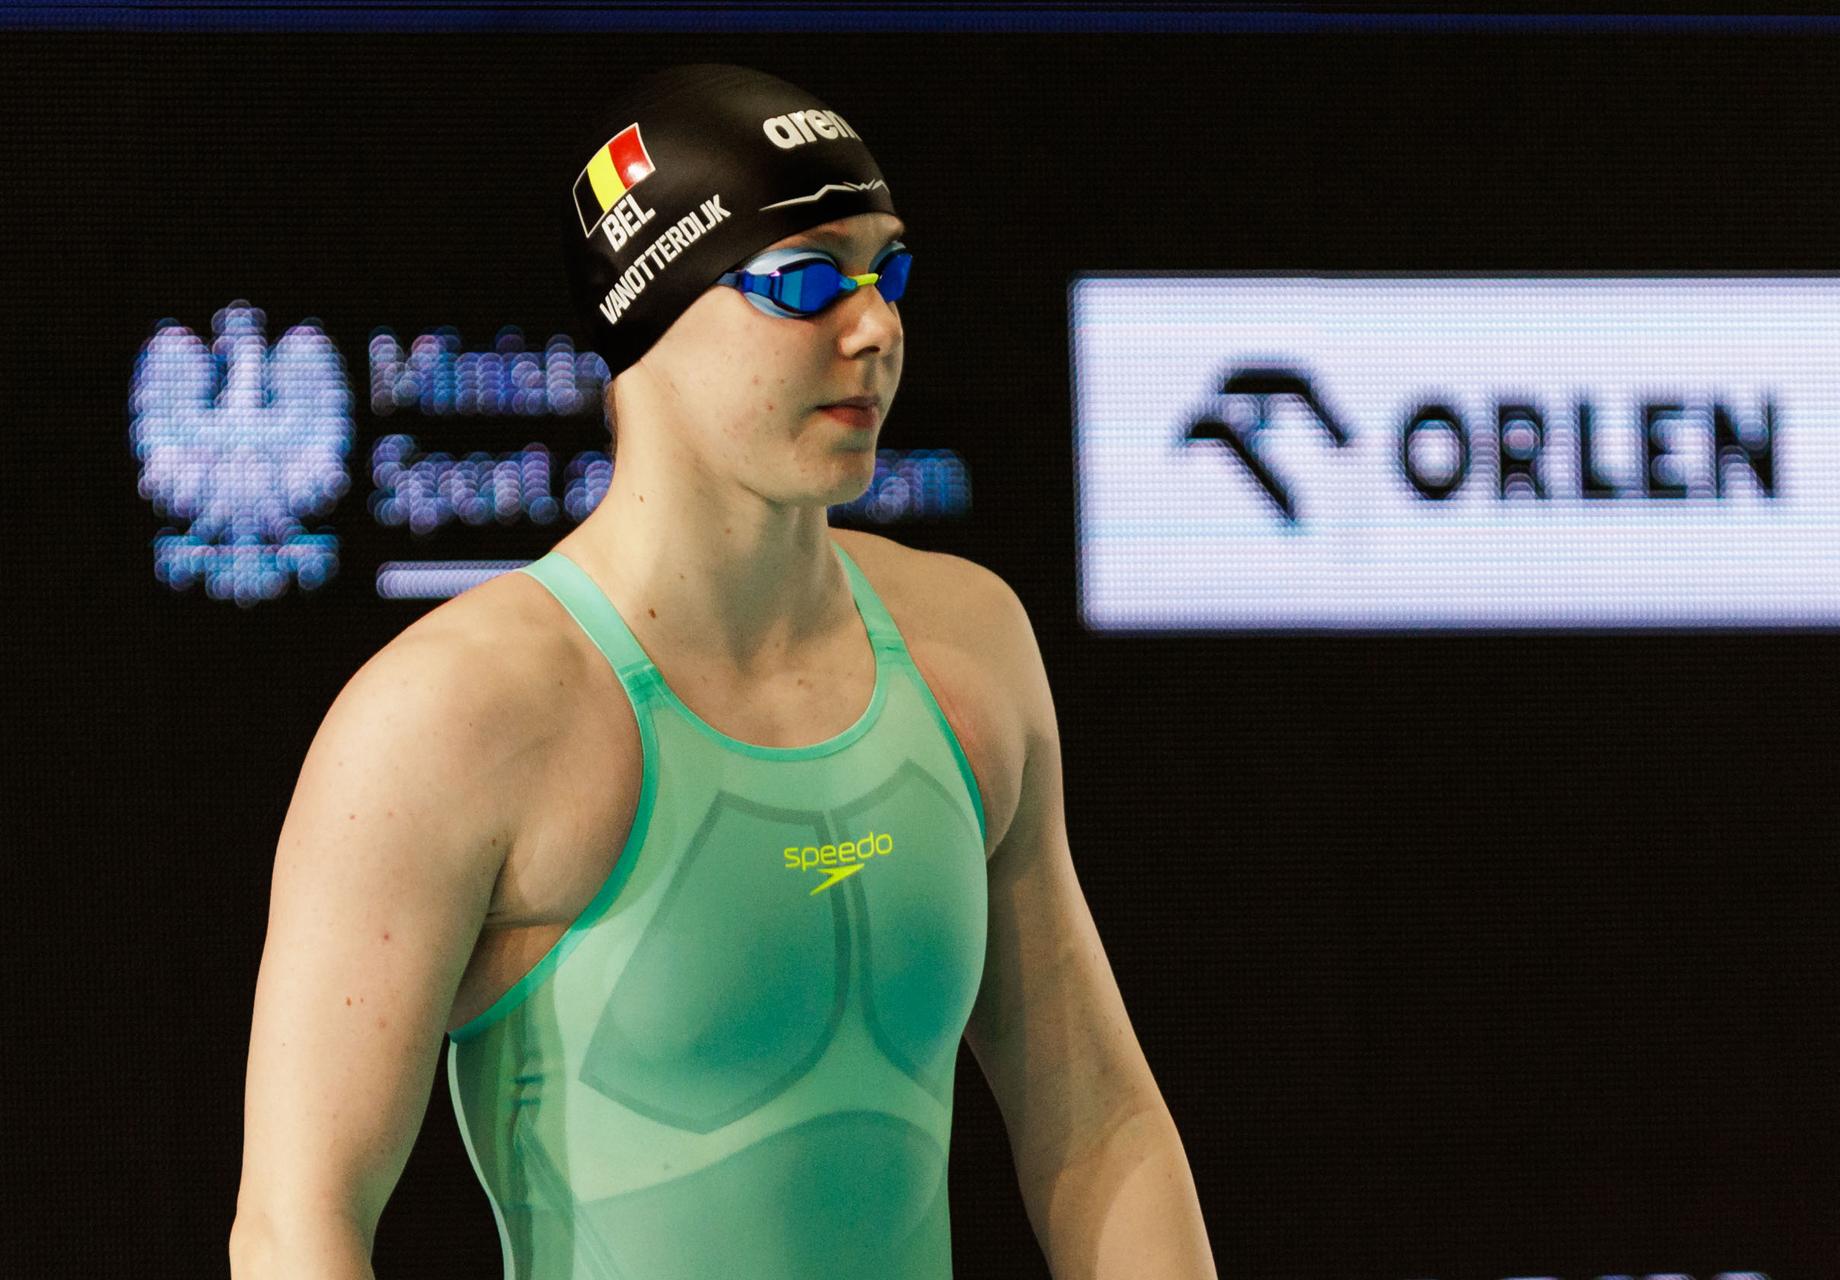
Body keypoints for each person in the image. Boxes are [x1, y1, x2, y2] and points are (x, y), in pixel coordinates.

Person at [230, 63, 1215, 1279]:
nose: (875, 326)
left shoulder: (968, 646)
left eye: (886, 271)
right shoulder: (455, 715)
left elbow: (1096, 1124)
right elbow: (296, 1222)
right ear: (645, 319)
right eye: (803, 283)